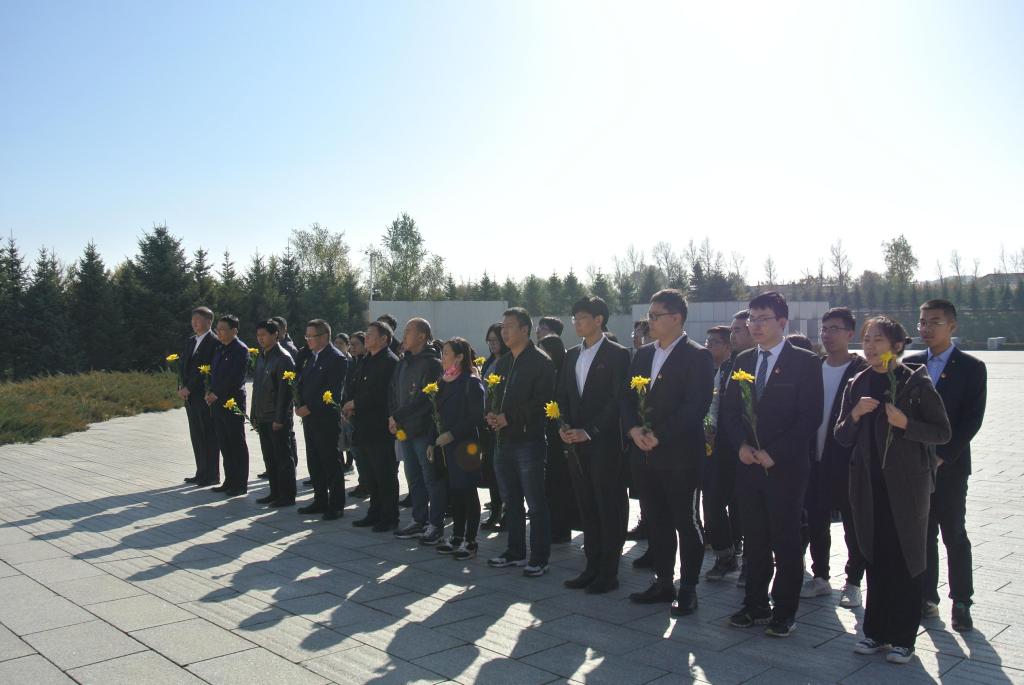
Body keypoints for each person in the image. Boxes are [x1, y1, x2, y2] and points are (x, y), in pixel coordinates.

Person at [835, 316, 950, 664]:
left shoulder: (915, 382)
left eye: (879, 340)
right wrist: (855, 415)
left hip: (906, 489)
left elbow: (942, 432)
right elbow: (841, 436)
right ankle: (875, 632)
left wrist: (906, 424)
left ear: (897, 346)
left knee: (906, 560)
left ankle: (903, 638)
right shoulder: (857, 383)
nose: (870, 347)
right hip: (868, 488)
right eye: (867, 340)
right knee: (875, 557)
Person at [721, 291, 823, 637]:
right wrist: (741, 445)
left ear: (782, 322)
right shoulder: (743, 360)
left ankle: (784, 610)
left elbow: (810, 417)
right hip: (748, 465)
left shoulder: (805, 362)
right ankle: (755, 605)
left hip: (786, 469)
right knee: (755, 539)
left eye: (763, 319)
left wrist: (775, 452)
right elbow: (730, 411)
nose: (755, 325)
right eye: (752, 319)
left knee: (786, 540)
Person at [622, 289, 714, 616]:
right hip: (645, 455)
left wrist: (658, 435)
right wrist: (633, 430)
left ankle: (688, 587)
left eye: (655, 315)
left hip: (680, 458)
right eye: (649, 315)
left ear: (676, 318)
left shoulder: (697, 356)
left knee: (686, 523)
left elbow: (695, 406)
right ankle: (663, 581)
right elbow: (626, 399)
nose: (650, 321)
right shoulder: (643, 355)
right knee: (656, 521)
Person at [905, 299, 987, 632]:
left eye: (934, 322)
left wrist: (943, 456)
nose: (926, 328)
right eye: (922, 322)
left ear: (952, 326)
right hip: (915, 467)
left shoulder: (971, 367)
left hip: (949, 467)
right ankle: (927, 596)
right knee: (922, 533)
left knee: (953, 532)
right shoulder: (911, 364)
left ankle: (962, 601)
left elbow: (971, 421)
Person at [558, 296, 630, 594]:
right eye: (574, 318)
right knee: (586, 505)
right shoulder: (571, 354)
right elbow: (563, 394)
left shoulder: (618, 354)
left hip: (604, 444)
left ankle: (609, 572)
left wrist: (591, 431)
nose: (577, 323)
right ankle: (591, 565)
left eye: (583, 317)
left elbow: (618, 401)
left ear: (599, 320)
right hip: (575, 444)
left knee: (607, 506)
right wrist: (563, 424)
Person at [800, 308, 868, 607]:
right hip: (813, 458)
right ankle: (821, 577)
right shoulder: (813, 367)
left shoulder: (861, 371)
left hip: (847, 460)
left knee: (853, 523)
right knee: (816, 520)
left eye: (835, 329)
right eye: (824, 329)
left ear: (850, 334)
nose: (827, 335)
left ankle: (853, 582)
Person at [486, 307, 556, 576]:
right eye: (502, 327)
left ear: (525, 330)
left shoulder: (541, 362)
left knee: (535, 503)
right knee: (510, 500)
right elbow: (493, 395)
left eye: (509, 327)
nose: (504, 332)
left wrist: (510, 417)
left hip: (529, 441)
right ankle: (515, 551)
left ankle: (539, 557)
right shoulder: (503, 362)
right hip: (503, 440)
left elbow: (542, 402)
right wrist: (491, 414)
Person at [389, 318, 446, 545]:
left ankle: (435, 524)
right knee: (413, 477)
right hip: (404, 429)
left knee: (431, 478)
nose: (404, 335)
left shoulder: (432, 364)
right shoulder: (403, 361)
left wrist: (398, 415)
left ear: (422, 336)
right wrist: (393, 416)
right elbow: (393, 391)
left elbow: (425, 399)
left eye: (408, 331)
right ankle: (418, 519)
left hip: (423, 429)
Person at [431, 337, 487, 560]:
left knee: (468, 492)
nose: (442, 357)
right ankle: (456, 535)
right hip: (446, 446)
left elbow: (476, 417)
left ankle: (470, 541)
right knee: (454, 492)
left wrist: (452, 434)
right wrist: (433, 442)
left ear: (460, 357)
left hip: (465, 445)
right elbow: (436, 415)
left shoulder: (470, 382)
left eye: (446, 353)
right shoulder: (444, 380)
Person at [345, 321, 400, 531]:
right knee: (370, 474)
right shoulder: (366, 359)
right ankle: (374, 512)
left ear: (384, 339)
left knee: (384, 474)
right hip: (363, 425)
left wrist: (355, 403)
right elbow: (355, 384)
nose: (366, 337)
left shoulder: (389, 361)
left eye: (370, 334)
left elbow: (379, 393)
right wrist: (348, 404)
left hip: (380, 427)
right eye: (366, 334)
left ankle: (389, 517)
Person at [295, 319, 348, 521]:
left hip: (325, 419)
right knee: (314, 460)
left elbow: (333, 391)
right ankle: (320, 500)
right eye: (307, 336)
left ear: (324, 336)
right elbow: (303, 383)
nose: (308, 340)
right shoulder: (311, 356)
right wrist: (299, 404)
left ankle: (336, 504)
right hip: (309, 418)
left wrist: (310, 407)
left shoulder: (336, 358)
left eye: (312, 336)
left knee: (330, 462)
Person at [703, 325, 742, 581]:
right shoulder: (715, 371)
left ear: (728, 347)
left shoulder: (739, 368)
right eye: (707, 341)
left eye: (715, 342)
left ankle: (738, 554)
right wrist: (709, 428)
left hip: (740, 448)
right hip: (716, 447)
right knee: (712, 502)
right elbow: (712, 405)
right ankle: (725, 554)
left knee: (737, 505)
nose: (709, 346)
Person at [250, 319, 297, 507]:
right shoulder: (262, 357)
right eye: (258, 335)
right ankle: (274, 492)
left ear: (275, 335)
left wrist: (280, 418)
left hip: (276, 417)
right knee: (269, 457)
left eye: (264, 335)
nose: (260, 338)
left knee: (282, 457)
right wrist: (254, 414)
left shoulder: (283, 358)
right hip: (263, 415)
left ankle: (287, 495)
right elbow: (257, 388)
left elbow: (285, 393)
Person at [206, 314, 251, 497]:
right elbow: (215, 375)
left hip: (232, 402)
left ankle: (240, 484)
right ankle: (229, 480)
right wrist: (210, 391)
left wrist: (217, 393)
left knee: (236, 443)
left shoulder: (240, 350)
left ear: (234, 331)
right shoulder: (220, 348)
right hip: (217, 403)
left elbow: (235, 378)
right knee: (224, 442)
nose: (219, 332)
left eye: (223, 329)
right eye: (218, 329)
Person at [538, 331, 576, 544]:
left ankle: (561, 528)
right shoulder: (547, 373)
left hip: (561, 435)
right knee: (550, 484)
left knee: (560, 484)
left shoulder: (564, 373)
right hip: (549, 435)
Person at [180, 306, 220, 486]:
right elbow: (183, 366)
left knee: (208, 434)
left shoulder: (214, 342)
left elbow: (206, 369)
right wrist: (181, 386)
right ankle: (201, 472)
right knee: (196, 434)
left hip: (203, 395)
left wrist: (190, 387)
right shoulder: (191, 341)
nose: (194, 323)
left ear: (209, 321)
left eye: (198, 320)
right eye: (193, 319)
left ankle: (211, 475)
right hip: (189, 396)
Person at [479, 322, 508, 531]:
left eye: (495, 340)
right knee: (490, 471)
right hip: (488, 424)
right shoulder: (490, 362)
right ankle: (495, 511)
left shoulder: (508, 362)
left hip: (503, 424)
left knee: (503, 473)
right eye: (489, 341)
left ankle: (507, 514)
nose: (492, 344)